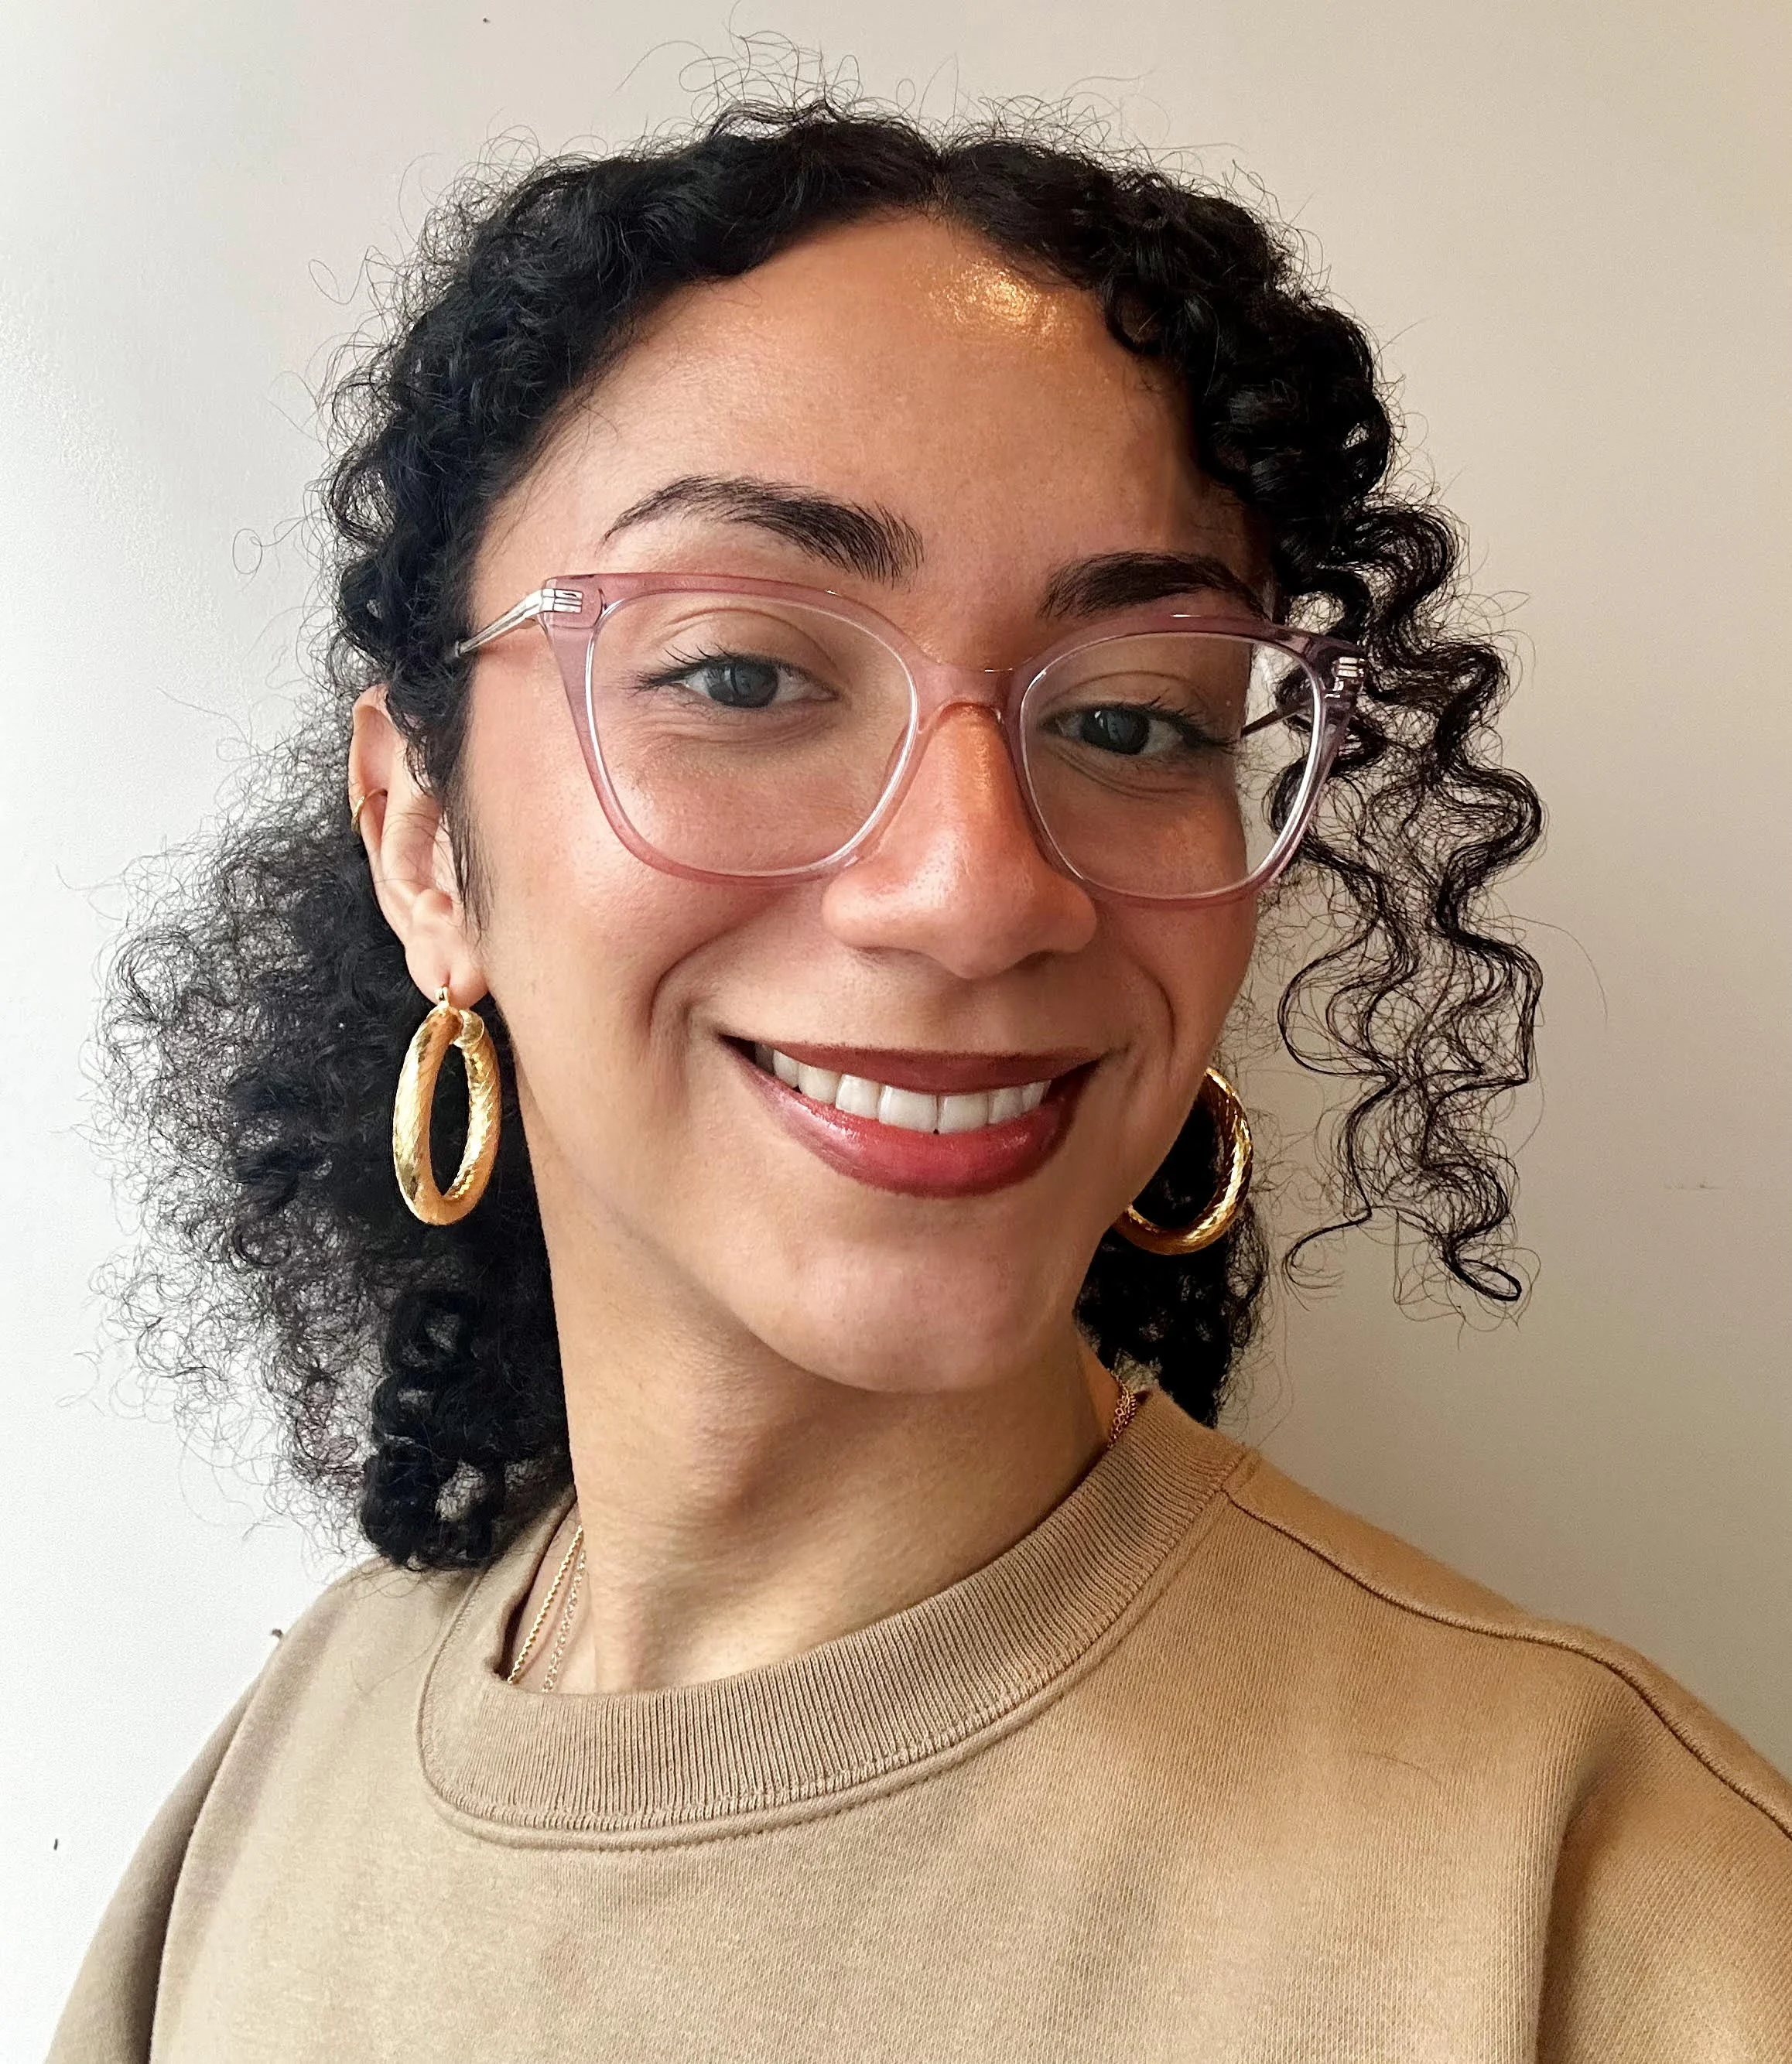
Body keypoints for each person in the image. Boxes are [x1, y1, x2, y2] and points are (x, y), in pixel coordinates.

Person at [53, 94, 1790, 2062]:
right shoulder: (283, 1786)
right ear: (427, 843)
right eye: (741, 675)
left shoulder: (1600, 1913)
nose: (978, 889)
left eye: (1136, 717)